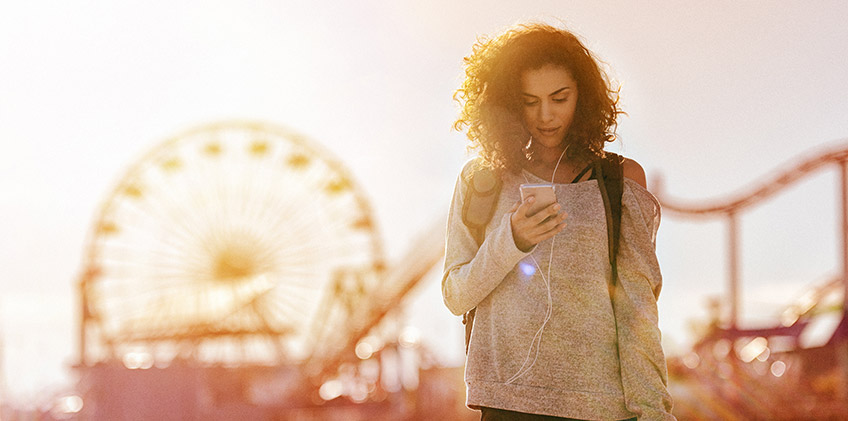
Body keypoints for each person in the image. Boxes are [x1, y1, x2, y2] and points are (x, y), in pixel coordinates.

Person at [442, 22, 675, 420]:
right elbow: (455, 295)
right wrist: (511, 239)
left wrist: (654, 413)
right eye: (529, 101)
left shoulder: (619, 182)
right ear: (507, 102)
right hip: (505, 404)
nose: (546, 115)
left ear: (582, 98)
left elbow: (637, 310)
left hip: (600, 407)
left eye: (559, 98)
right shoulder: (481, 181)